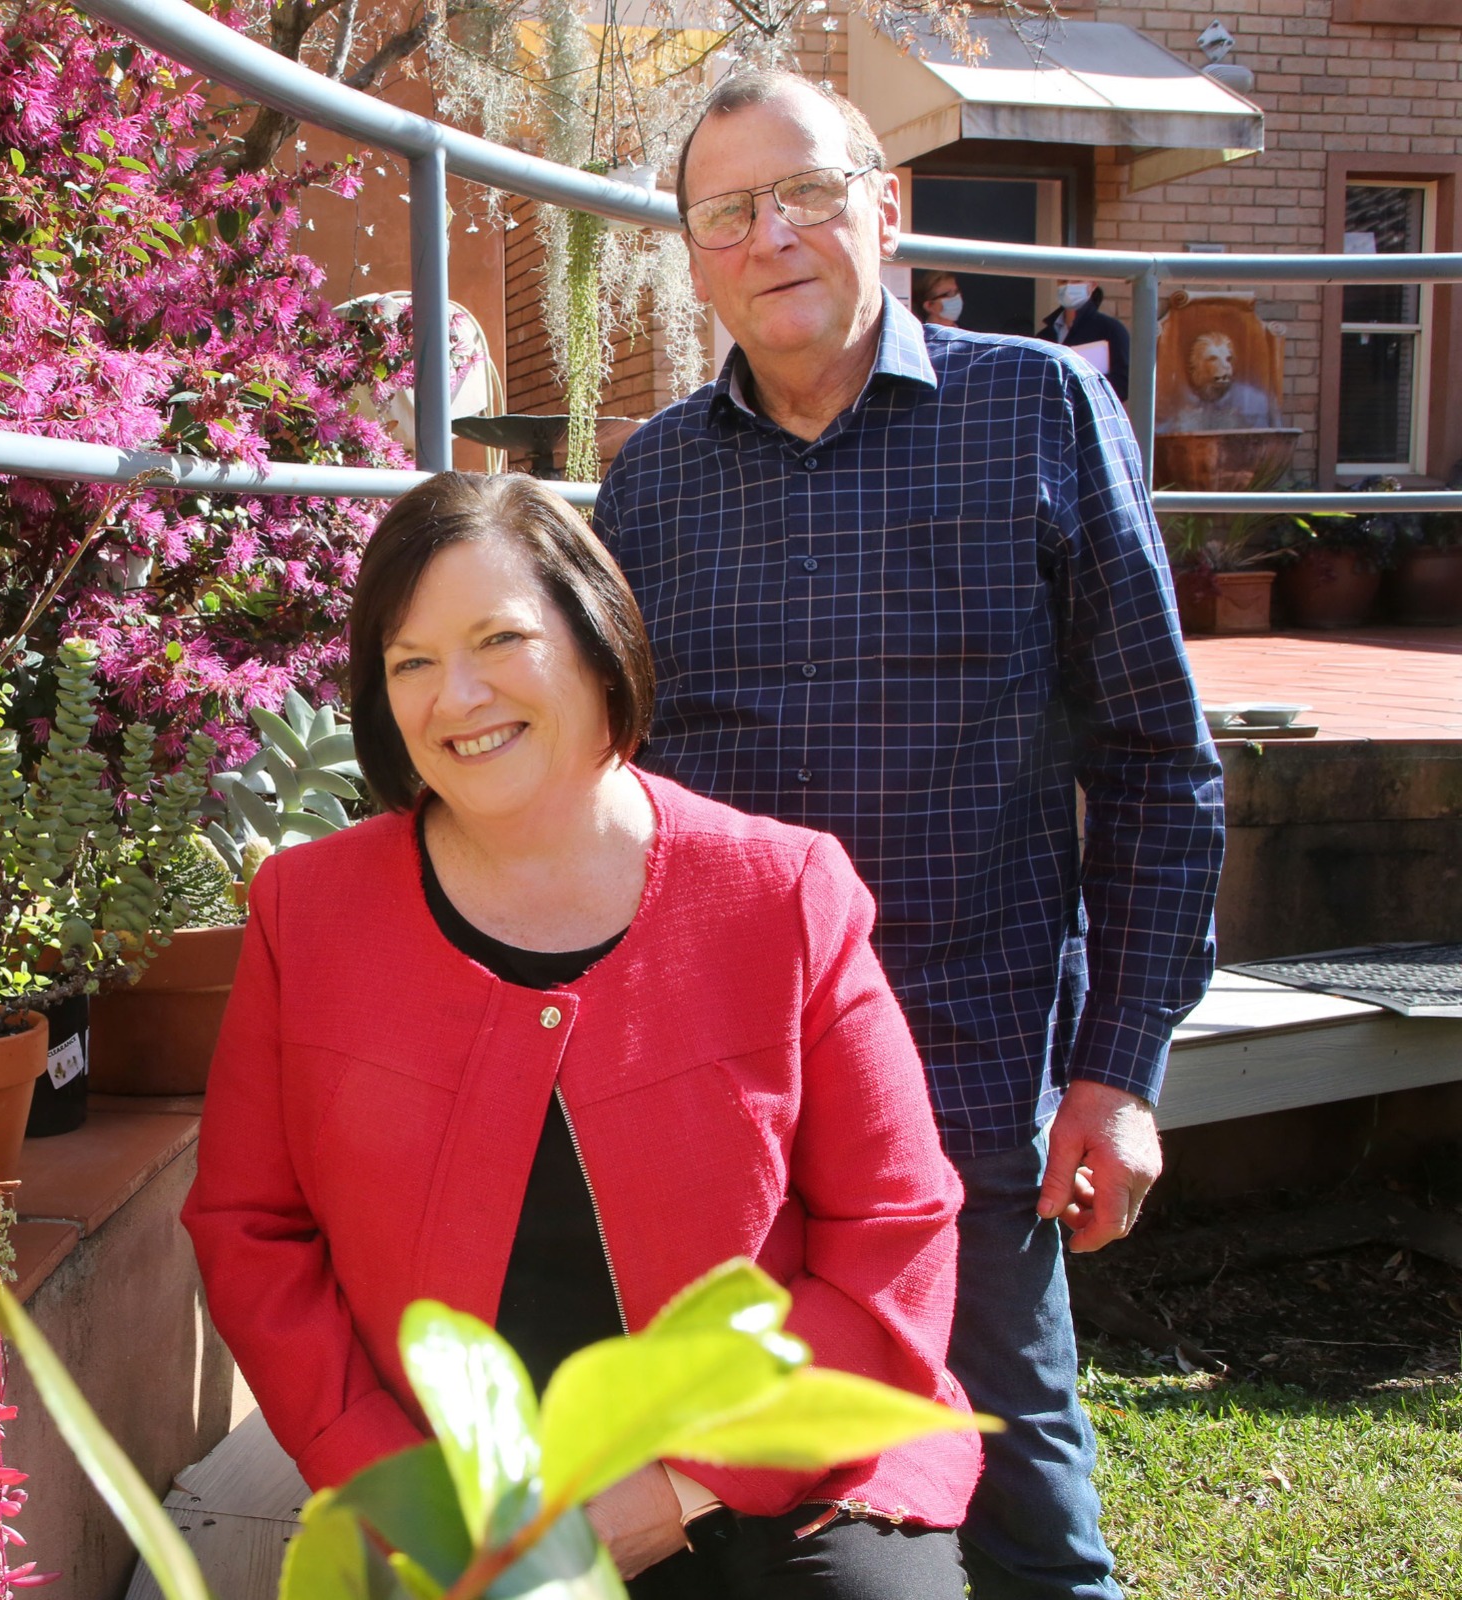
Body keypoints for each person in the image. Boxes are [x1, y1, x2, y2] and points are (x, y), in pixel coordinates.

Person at [595, 70, 1225, 1600]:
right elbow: (601, 793)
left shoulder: (1040, 408)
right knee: (754, 1520)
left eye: (807, 191)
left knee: (1023, 1521)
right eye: (729, 211)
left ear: (888, 207)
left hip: (971, 1080)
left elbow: (1157, 762)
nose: (773, 235)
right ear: (694, 258)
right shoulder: (652, 482)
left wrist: (1119, 1069)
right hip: (727, 1104)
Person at [184, 471, 984, 1598]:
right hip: (461, 1501)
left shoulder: (783, 890)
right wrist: (400, 1488)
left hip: (775, 1474)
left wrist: (671, 1489)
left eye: (499, 638)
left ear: (597, 636)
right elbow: (250, 1231)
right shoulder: (303, 911)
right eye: (410, 661)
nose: (455, 696)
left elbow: (893, 1234)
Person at [1037, 277, 1131, 400]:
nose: (1069, 286)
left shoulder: (1111, 330)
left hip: (1092, 414)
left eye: (1077, 281)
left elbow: (1124, 385)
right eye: (1063, 281)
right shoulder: (1044, 337)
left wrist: (1079, 383)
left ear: (1092, 285)